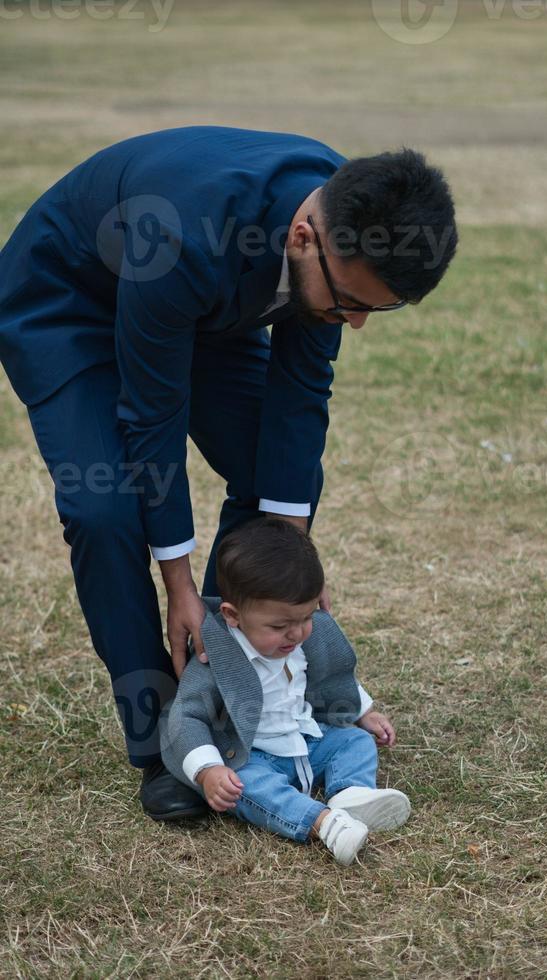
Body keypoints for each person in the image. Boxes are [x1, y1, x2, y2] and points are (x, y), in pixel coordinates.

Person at [0, 126, 457, 820]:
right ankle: (163, 743)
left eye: (375, 309)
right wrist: (179, 584)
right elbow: (151, 417)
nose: (356, 324)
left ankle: (219, 700)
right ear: (304, 237)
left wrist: (288, 560)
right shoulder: (186, 232)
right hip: (72, 305)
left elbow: (301, 397)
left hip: (197, 308)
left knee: (282, 481)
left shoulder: (347, 207)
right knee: (106, 509)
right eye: (347, 305)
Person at [160, 518, 411, 866]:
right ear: (233, 616)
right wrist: (208, 771)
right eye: (279, 626)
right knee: (247, 787)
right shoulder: (216, 656)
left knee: (354, 742)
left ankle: (350, 794)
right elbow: (187, 716)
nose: (296, 634)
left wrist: (363, 712)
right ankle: (322, 823)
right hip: (251, 755)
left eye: (305, 618)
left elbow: (332, 676)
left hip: (306, 740)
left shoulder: (307, 639)